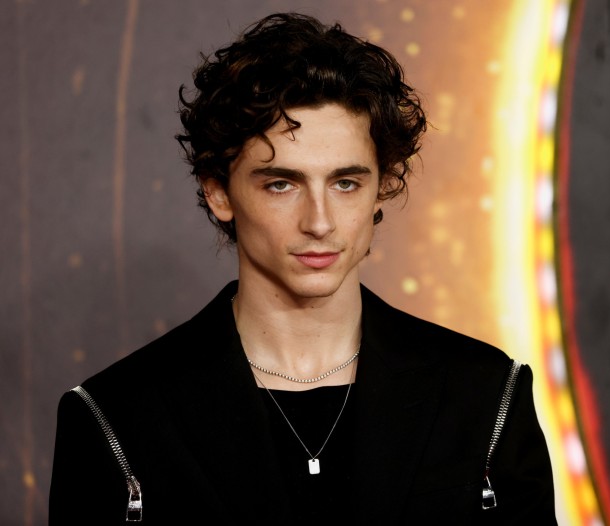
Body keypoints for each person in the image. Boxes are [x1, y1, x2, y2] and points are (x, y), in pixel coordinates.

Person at [49, 12, 556, 525]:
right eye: (281, 184)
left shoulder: (485, 395)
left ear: (382, 186)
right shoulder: (115, 417)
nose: (319, 222)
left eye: (345, 183)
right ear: (219, 192)